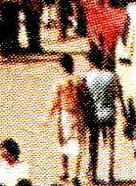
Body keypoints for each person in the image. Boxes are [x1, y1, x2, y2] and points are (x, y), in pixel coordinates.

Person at [47, 54, 85, 186]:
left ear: (62, 66)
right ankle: (75, 174)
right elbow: (85, 99)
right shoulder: (79, 80)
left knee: (64, 143)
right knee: (78, 144)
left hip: (64, 114)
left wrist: (48, 116)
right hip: (78, 114)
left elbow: (55, 101)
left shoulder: (59, 82)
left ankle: (65, 171)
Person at [82, 44, 119, 184]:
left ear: (91, 61)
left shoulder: (86, 77)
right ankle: (109, 174)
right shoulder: (111, 76)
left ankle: (93, 173)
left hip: (93, 115)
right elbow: (117, 96)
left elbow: (84, 97)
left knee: (93, 144)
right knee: (109, 145)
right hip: (109, 113)